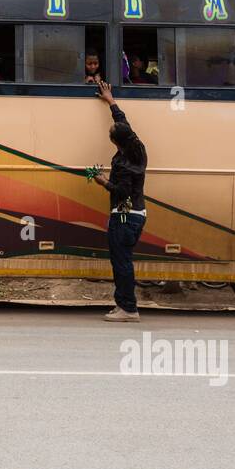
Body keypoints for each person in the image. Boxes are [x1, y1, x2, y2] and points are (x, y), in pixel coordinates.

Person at [91, 78, 148, 322]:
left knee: (121, 262)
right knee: (122, 260)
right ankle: (125, 305)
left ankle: (128, 308)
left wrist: (103, 181)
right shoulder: (137, 147)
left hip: (125, 215)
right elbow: (123, 123)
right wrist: (111, 102)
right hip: (137, 213)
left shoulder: (125, 165)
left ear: (116, 143)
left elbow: (121, 192)